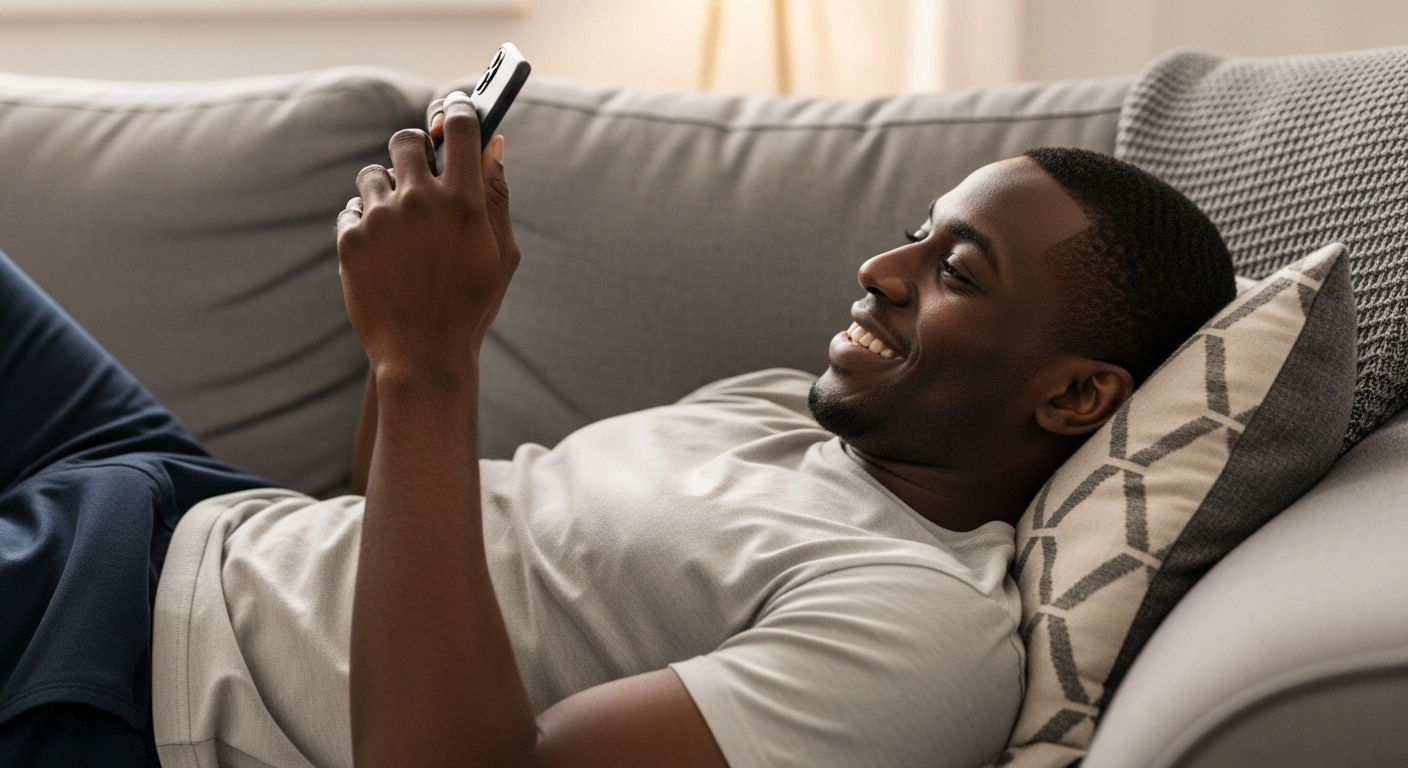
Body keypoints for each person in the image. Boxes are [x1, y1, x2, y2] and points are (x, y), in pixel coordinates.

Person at [0, 89, 1235, 768]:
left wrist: (425, 355)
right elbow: (396, 517)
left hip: (118, 664)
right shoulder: (782, 411)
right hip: (184, 503)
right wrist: (431, 345)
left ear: (1076, 395)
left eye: (955, 269)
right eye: (915, 229)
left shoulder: (915, 632)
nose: (880, 266)